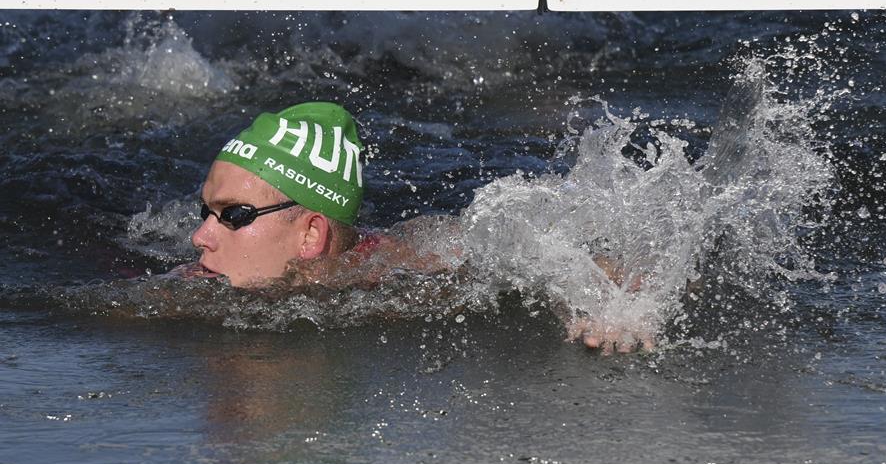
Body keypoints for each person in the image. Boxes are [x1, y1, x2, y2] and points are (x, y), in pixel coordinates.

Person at [180, 102, 648, 353]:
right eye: (205, 211)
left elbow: (562, 261)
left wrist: (613, 309)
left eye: (233, 215)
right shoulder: (196, 281)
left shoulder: (405, 269)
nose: (201, 237)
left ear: (311, 236)